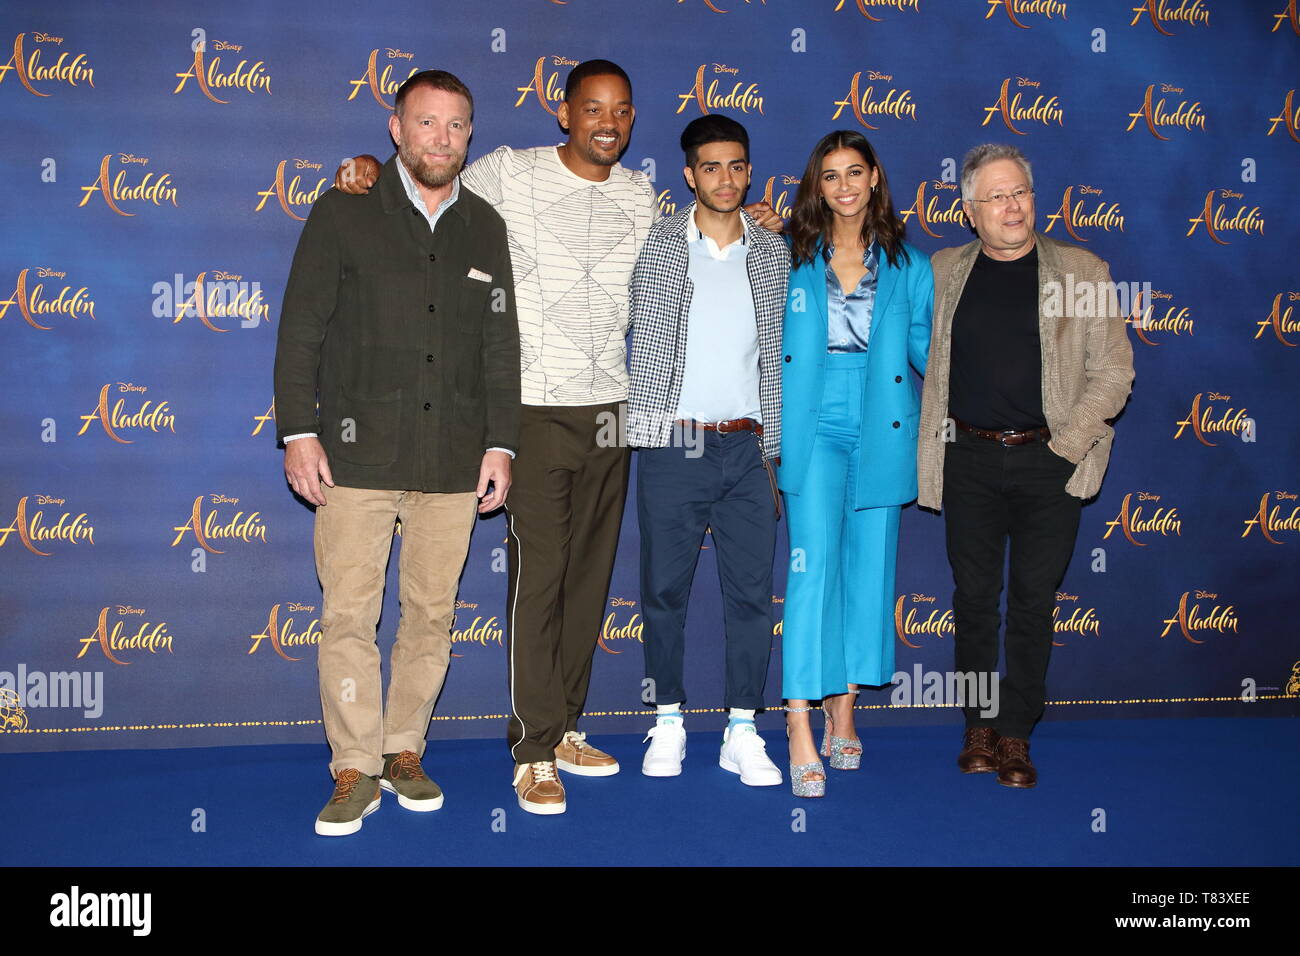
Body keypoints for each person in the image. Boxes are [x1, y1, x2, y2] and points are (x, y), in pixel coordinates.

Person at [333, 61, 784, 815]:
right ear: (564, 113)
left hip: (615, 412)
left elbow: (710, 226)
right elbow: (430, 183)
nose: (607, 122)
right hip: (532, 410)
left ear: (633, 121)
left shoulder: (644, 198)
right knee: (538, 580)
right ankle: (532, 748)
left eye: (621, 111)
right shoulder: (511, 173)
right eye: (592, 108)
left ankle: (567, 725)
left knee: (586, 580)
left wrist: (760, 217)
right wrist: (371, 169)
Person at [273, 70, 520, 835]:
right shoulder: (344, 212)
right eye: (426, 123)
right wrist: (298, 430)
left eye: (455, 125)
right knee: (348, 615)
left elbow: (499, 347)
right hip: (356, 460)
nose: (441, 138)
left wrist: (502, 443)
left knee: (431, 617)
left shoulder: (485, 225)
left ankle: (403, 748)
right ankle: (355, 766)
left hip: (452, 460)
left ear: (469, 135)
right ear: (395, 128)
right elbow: (301, 329)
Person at [916, 143, 1134, 788]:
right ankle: (978, 726)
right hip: (969, 461)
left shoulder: (1082, 270)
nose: (1013, 208)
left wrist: (1066, 444)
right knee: (975, 600)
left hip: (1052, 464)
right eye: (997, 197)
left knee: (1035, 605)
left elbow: (1115, 370)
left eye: (1022, 194)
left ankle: (1016, 733)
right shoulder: (943, 271)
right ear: (969, 210)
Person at [627, 115, 790, 786]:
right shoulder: (654, 243)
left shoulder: (775, 251)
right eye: (711, 166)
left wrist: (776, 451)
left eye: (738, 165)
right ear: (689, 175)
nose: (726, 177)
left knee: (751, 596)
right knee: (664, 590)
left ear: (750, 172)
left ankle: (743, 729)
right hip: (674, 444)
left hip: (750, 449)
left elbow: (780, 355)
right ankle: (666, 719)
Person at [779, 130, 933, 797]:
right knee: (811, 571)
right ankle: (798, 722)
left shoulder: (910, 266)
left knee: (868, 574)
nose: (843, 186)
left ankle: (844, 707)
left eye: (854, 172)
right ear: (817, 185)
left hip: (884, 420)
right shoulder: (788, 253)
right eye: (829, 175)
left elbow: (934, 353)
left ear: (874, 178)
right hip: (812, 420)